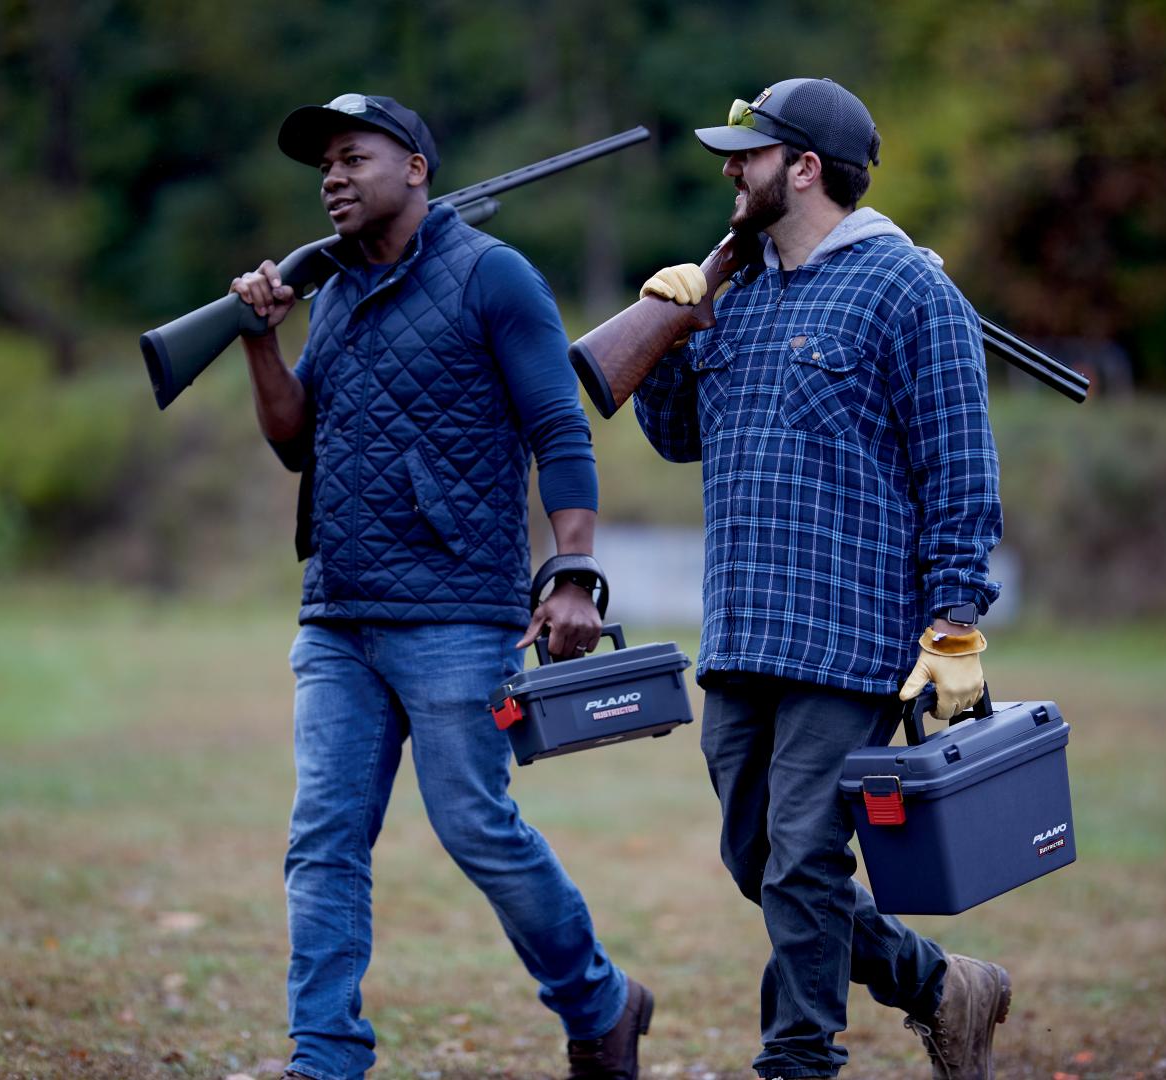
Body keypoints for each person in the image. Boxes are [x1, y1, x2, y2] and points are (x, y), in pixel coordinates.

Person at [229, 92, 652, 1080]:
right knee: (323, 841)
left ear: (416, 167)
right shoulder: (329, 293)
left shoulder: (494, 277)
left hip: (459, 612)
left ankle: (599, 1002)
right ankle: (325, 1057)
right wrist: (259, 337)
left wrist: (574, 572)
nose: (332, 176)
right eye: (322, 164)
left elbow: (559, 426)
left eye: (353, 156)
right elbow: (297, 440)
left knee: (476, 827)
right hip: (338, 616)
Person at [632, 78, 1011, 1080]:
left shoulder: (909, 290)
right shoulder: (736, 290)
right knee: (757, 860)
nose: (728, 169)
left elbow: (961, 466)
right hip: (744, 628)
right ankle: (935, 984)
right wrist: (671, 328)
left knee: (803, 856)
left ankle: (797, 1063)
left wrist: (957, 622)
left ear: (803, 168)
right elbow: (675, 437)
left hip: (852, 634)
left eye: (747, 155)